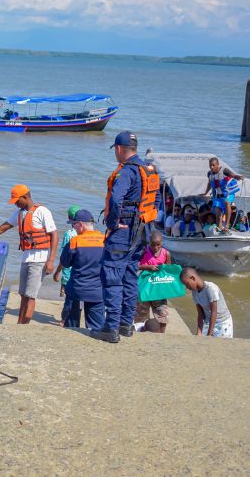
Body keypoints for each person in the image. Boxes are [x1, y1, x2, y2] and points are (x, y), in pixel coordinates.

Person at [92, 131, 160, 343]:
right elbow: (156, 200)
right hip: (142, 231)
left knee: (112, 276)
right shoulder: (148, 170)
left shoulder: (127, 172)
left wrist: (113, 223)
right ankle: (125, 324)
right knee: (130, 276)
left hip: (124, 231)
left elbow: (115, 200)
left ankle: (110, 329)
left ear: (119, 149)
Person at [0, 184, 58, 324]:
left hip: (40, 259)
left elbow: (54, 235)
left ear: (25, 197)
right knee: (23, 294)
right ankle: (20, 323)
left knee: (30, 295)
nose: (15, 204)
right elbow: (0, 229)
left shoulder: (42, 211)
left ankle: (24, 326)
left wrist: (51, 260)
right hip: (26, 257)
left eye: (17, 200)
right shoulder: (19, 214)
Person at [58, 209, 105, 329]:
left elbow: (65, 262)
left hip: (76, 288)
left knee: (71, 326)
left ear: (80, 224)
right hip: (97, 290)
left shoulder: (75, 241)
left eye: (74, 225)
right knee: (97, 326)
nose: (74, 228)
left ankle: (72, 328)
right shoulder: (104, 240)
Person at [135, 230, 173, 333]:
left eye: (158, 245)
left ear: (162, 243)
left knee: (162, 313)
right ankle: (141, 332)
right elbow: (136, 266)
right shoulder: (144, 252)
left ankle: (161, 334)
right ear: (149, 243)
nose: (155, 248)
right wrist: (147, 267)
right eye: (153, 245)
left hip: (159, 289)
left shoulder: (166, 254)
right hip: (145, 288)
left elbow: (169, 271)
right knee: (141, 315)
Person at [180, 267, 234, 338]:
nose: (187, 287)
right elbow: (200, 314)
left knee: (221, 346)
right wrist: (199, 332)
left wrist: (209, 335)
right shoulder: (194, 292)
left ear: (192, 278)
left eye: (187, 284)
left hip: (223, 323)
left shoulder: (210, 288)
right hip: (208, 321)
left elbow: (213, 312)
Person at [203, 156, 243, 232]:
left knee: (227, 202)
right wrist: (205, 192)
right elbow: (210, 183)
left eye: (213, 165)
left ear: (218, 164)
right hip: (218, 196)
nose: (211, 167)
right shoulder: (209, 174)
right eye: (210, 165)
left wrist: (237, 177)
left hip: (228, 194)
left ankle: (227, 225)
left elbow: (233, 175)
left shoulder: (224, 171)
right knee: (218, 211)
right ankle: (220, 228)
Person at [53, 204, 81, 298]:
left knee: (67, 298)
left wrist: (57, 272)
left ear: (69, 218)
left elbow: (64, 256)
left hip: (68, 276)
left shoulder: (69, 234)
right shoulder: (84, 233)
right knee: (76, 299)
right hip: (80, 274)